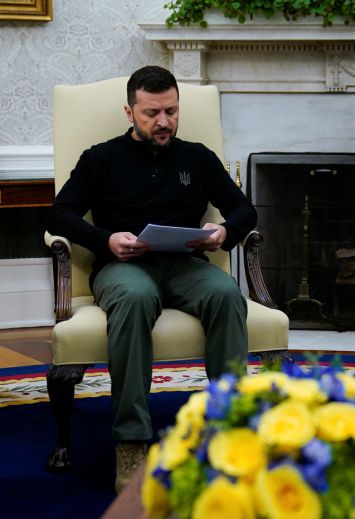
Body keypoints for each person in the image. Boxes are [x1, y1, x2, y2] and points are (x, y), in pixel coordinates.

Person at [46, 66, 257, 492]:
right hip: (123, 267)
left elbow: (244, 210)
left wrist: (223, 232)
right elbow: (59, 214)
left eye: (171, 111)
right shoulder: (100, 158)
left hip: (185, 265)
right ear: (130, 112)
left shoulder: (197, 157)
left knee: (226, 294)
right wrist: (106, 240)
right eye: (152, 113)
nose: (164, 121)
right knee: (135, 297)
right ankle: (132, 440)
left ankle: (228, 428)